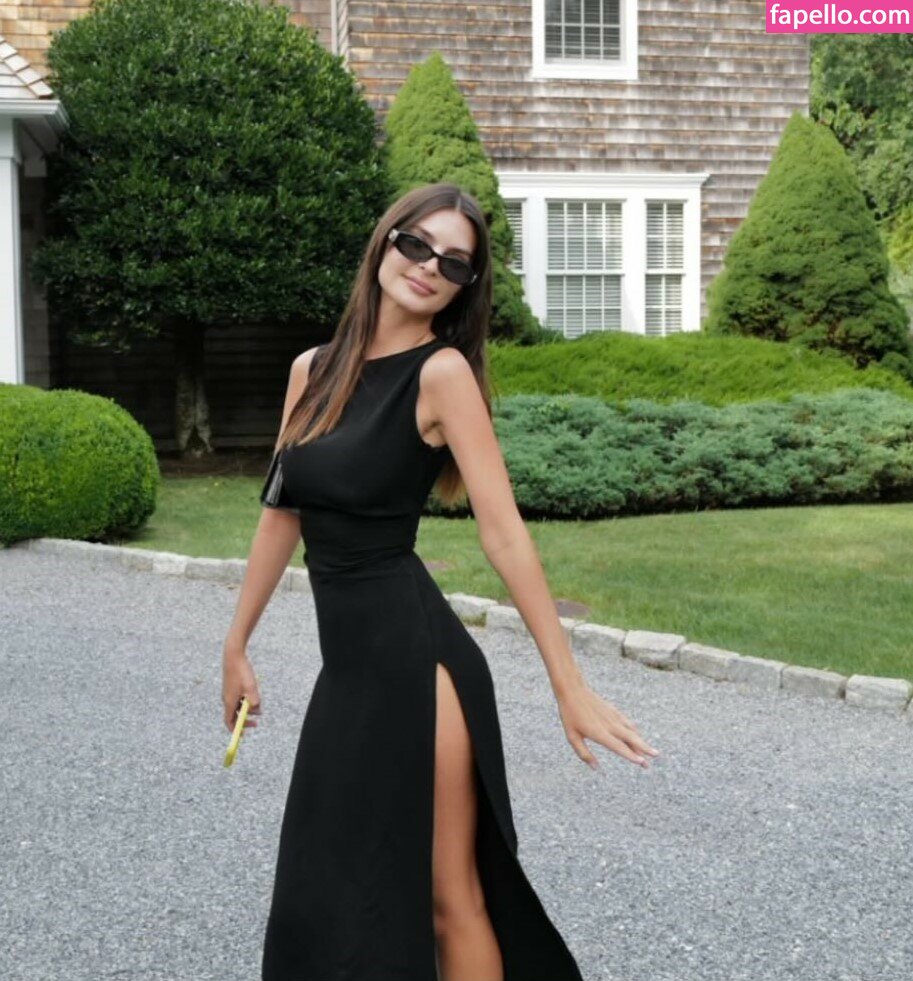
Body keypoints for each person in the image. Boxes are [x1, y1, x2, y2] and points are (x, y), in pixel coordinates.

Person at [221, 181, 660, 981]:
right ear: (385, 243)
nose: (428, 266)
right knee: (323, 888)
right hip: (348, 672)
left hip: (419, 666)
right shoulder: (309, 370)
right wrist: (236, 642)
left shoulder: (441, 373)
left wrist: (568, 685)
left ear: (464, 287)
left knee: (449, 894)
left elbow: (504, 533)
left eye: (453, 263)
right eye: (417, 244)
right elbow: (281, 512)